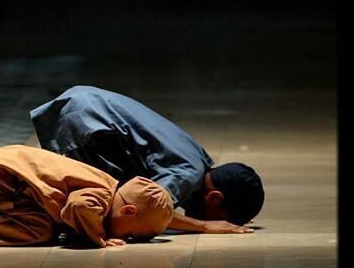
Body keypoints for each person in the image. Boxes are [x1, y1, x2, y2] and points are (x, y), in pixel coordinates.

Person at [30, 85, 265, 234]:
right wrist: (204, 226)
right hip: (87, 122)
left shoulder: (198, 157)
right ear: (214, 198)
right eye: (221, 218)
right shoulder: (187, 175)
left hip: (86, 104)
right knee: (101, 212)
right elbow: (151, 208)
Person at [0, 145, 174, 247]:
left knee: (46, 216)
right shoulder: (100, 197)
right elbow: (79, 206)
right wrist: (98, 238)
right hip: (4, 178)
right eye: (131, 234)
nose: (127, 238)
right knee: (41, 230)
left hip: (4, 166)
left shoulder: (107, 184)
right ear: (128, 210)